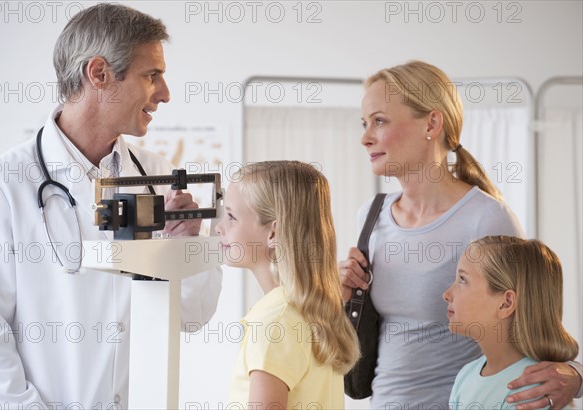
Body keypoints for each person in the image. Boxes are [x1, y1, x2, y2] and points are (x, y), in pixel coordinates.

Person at [0, 4, 221, 409]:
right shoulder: (5, 184)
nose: (165, 93)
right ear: (99, 75)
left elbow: (192, 317)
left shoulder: (158, 177)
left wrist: (186, 249)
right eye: (152, 75)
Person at [338, 60, 582, 408]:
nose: (365, 138)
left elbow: (536, 323)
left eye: (379, 121)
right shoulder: (370, 216)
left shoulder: (485, 218)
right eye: (364, 124)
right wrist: (342, 294)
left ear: (432, 123)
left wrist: (576, 376)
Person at [215, 161, 360, 409]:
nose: (219, 227)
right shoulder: (311, 311)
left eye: (231, 216)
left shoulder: (274, 322)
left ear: (273, 233)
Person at [444, 236, 579, 409]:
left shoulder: (532, 390)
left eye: (462, 280)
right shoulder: (466, 376)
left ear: (506, 303)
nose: (446, 294)